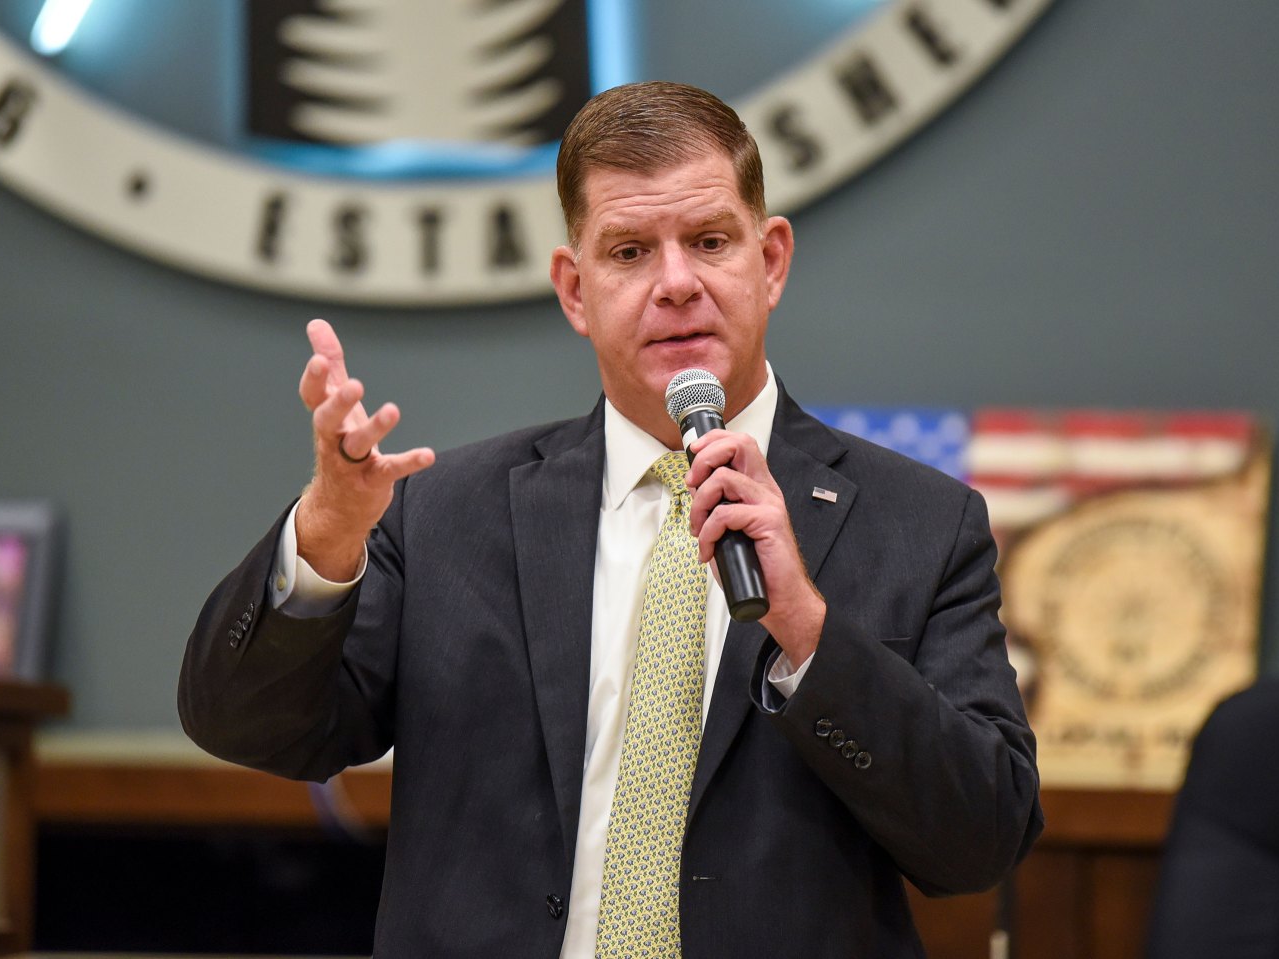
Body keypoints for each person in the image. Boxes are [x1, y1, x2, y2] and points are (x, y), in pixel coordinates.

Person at [179, 81, 1041, 958]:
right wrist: (327, 528)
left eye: (709, 241)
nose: (676, 285)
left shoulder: (921, 526)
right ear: (575, 288)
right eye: (629, 251)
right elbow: (245, 725)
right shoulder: (447, 514)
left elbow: (982, 839)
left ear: (770, 260)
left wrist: (808, 631)